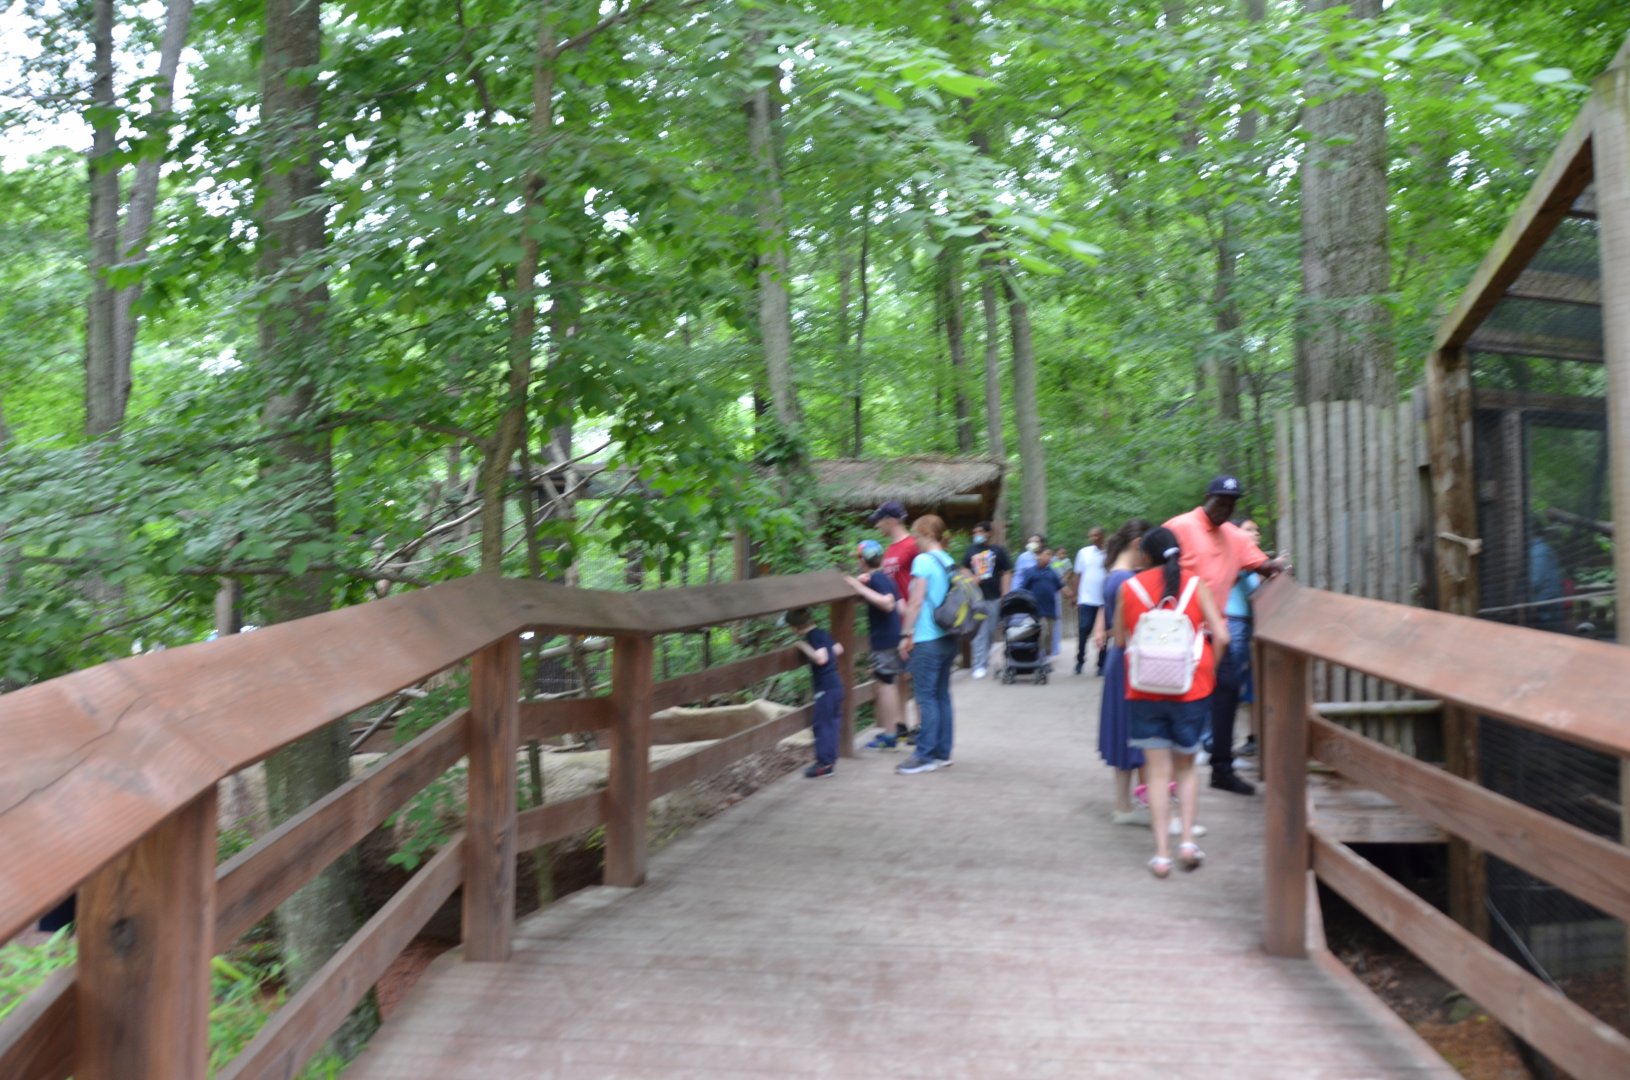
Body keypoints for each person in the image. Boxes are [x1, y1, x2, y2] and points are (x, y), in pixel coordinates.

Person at [1112, 527, 1229, 878]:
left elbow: (1120, 641)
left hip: (1145, 690)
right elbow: (1222, 636)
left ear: (1145, 555)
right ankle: (1187, 843)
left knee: (1157, 775)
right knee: (1186, 769)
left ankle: (1161, 855)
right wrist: (1209, 671)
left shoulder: (1129, 588)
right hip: (1190, 689)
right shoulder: (1196, 585)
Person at [1163, 476, 1285, 795]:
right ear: (1207, 498)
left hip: (1215, 633)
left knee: (1227, 691)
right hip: (1177, 630)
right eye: (1220, 501)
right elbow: (1154, 567)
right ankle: (1163, 774)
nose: (1225, 508)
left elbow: (1262, 564)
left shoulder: (1236, 537)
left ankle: (1221, 768)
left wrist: (1278, 569)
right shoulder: (1179, 526)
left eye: (1231, 503)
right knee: (1172, 698)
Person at [1094, 519, 1149, 825]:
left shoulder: (1114, 575)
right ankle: (1145, 804)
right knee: (1139, 733)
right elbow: (1129, 630)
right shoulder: (1127, 580)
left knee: (1124, 732)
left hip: (1120, 660)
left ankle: (1124, 805)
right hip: (1130, 660)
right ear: (1138, 543)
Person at [897, 514, 958, 774]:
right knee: (942, 695)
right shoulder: (948, 560)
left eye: (917, 535)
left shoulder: (923, 561)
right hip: (948, 637)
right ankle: (942, 753)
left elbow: (916, 601)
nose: (915, 541)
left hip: (928, 638)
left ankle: (924, 755)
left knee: (925, 697)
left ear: (928, 535)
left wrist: (905, 634)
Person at [844, 539, 905, 748]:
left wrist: (857, 587)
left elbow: (888, 604)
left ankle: (890, 735)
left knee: (886, 685)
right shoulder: (884, 578)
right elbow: (900, 607)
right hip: (893, 637)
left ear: (862, 560)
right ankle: (894, 729)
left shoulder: (877, 579)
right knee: (888, 683)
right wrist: (861, 584)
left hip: (884, 640)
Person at [786, 607, 845, 779]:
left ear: (795, 627)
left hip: (825, 688)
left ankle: (824, 765)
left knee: (822, 725)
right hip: (835, 685)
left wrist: (802, 645)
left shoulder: (813, 636)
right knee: (831, 724)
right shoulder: (822, 633)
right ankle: (829, 761)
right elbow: (839, 649)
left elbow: (821, 658)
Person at [1227, 521, 1264, 759]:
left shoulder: (1259, 561)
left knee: (1253, 684)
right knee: (1230, 682)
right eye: (1249, 529)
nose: (1255, 533)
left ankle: (1253, 738)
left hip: (1254, 625)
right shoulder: (1232, 557)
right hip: (1234, 622)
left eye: (1256, 530)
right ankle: (1218, 737)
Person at [961, 521, 1013, 680]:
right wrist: (972, 578)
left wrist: (1005, 592)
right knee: (979, 632)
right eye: (975, 532)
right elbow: (963, 569)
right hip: (976, 598)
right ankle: (979, 665)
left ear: (988, 533)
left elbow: (1007, 571)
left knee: (990, 631)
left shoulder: (997, 550)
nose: (977, 534)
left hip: (994, 597)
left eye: (980, 531)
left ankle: (984, 658)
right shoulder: (971, 550)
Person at [1015, 547, 1062, 657]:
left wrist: (1072, 597)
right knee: (1042, 631)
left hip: (1050, 609)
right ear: (1039, 556)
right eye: (1047, 554)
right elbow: (1023, 589)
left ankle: (1046, 657)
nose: (1049, 557)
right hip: (1037, 609)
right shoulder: (1030, 572)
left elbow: (1060, 586)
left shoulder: (1052, 572)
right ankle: (1038, 656)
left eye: (1050, 555)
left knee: (1049, 634)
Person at [869, 501, 919, 603]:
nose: (877, 526)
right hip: (895, 610)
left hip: (911, 610)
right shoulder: (890, 549)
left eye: (879, 521)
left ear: (890, 520)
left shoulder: (913, 545)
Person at [1074, 527, 1107, 675]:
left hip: (1103, 601)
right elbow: (1078, 575)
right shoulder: (1084, 553)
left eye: (1096, 535)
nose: (1093, 538)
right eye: (1091, 536)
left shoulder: (1109, 553)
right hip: (1086, 599)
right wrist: (1076, 596)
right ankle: (1080, 661)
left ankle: (1101, 664)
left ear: (1102, 536)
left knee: (1104, 634)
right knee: (1083, 630)